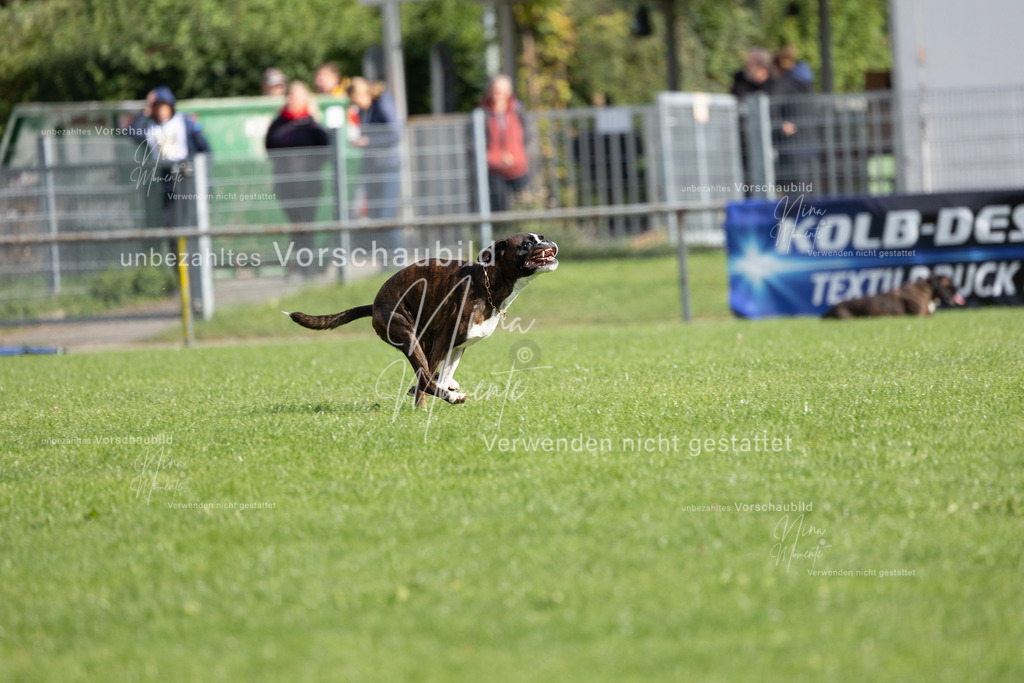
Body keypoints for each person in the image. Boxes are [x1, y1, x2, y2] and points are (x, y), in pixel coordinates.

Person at [124, 86, 211, 231]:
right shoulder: (151, 128)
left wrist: (202, 172)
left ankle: (192, 245)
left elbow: (204, 147)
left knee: (191, 219)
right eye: (157, 107)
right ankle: (176, 246)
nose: (160, 111)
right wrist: (146, 110)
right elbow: (132, 133)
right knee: (172, 221)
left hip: (187, 175)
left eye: (163, 107)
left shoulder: (183, 122)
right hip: (166, 178)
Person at [265, 81, 330, 272]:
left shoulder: (313, 125)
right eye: (289, 95)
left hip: (309, 185)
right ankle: (300, 264)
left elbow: (325, 151)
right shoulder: (278, 123)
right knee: (295, 224)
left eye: (295, 95)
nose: (290, 99)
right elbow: (270, 147)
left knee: (307, 224)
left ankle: (306, 265)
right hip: (285, 184)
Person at [347, 77, 402, 221]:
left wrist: (369, 141)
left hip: (388, 166)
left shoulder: (382, 103)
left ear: (364, 94)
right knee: (375, 215)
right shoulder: (363, 110)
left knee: (386, 216)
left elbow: (396, 133)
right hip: (372, 167)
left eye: (356, 100)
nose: (356, 105)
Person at [479, 74, 530, 212]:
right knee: (499, 208)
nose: (499, 96)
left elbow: (530, 136)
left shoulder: (518, 111)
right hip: (494, 169)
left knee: (525, 206)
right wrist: (489, 158)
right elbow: (475, 142)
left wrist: (524, 155)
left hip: (519, 167)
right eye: (496, 92)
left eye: (502, 92)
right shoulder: (482, 113)